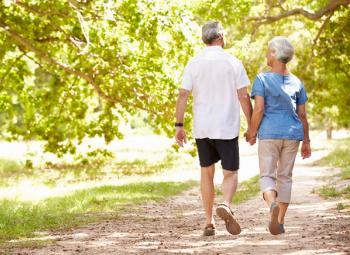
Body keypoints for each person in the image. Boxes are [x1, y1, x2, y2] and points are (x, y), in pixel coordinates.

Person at [174, 21, 252, 236]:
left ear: (204, 38)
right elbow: (244, 96)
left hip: (203, 127)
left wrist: (179, 126)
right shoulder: (233, 62)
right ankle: (225, 204)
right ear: (221, 37)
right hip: (226, 127)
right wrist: (253, 125)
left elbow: (183, 94)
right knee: (231, 172)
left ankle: (209, 222)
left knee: (206, 173)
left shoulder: (194, 62)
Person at [246, 36, 312, 235]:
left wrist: (251, 132)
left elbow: (258, 109)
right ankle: (280, 221)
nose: (266, 54)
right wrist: (307, 141)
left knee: (267, 175)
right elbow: (302, 115)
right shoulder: (297, 82)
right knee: (285, 177)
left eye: (268, 51)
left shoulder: (262, 79)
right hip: (292, 135)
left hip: (269, 134)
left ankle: (272, 204)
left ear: (274, 55)